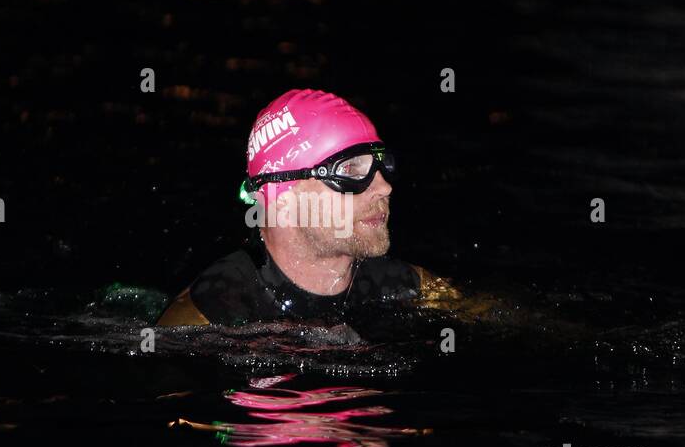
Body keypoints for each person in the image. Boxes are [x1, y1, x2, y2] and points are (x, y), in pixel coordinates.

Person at [158, 88, 465, 326]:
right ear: (283, 197)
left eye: (382, 165)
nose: (384, 187)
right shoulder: (205, 317)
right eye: (350, 171)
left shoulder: (415, 290)